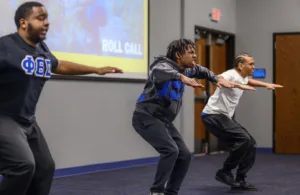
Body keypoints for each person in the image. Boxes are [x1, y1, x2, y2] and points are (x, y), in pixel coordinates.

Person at [0, 2, 123, 195]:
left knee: (45, 168)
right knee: (22, 166)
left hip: (28, 121)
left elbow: (59, 66)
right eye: (40, 18)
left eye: (47, 18)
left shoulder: (41, 49)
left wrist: (96, 69)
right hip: (5, 118)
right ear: (23, 23)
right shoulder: (5, 46)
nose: (47, 23)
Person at [132, 38, 235, 195]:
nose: (195, 55)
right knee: (171, 151)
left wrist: (216, 78)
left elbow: (202, 71)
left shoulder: (188, 69)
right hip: (146, 116)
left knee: (185, 155)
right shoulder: (161, 65)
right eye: (190, 52)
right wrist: (180, 77)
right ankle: (156, 191)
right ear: (178, 55)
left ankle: (171, 192)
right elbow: (158, 73)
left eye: (195, 52)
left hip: (163, 120)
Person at [201, 53, 283, 191]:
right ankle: (225, 172)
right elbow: (218, 79)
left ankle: (240, 180)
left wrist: (266, 84)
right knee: (244, 139)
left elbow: (248, 81)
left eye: (253, 63)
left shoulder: (242, 77)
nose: (253, 66)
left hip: (223, 117)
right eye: (250, 64)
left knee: (250, 144)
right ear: (240, 65)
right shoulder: (231, 74)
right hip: (212, 115)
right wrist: (239, 86)